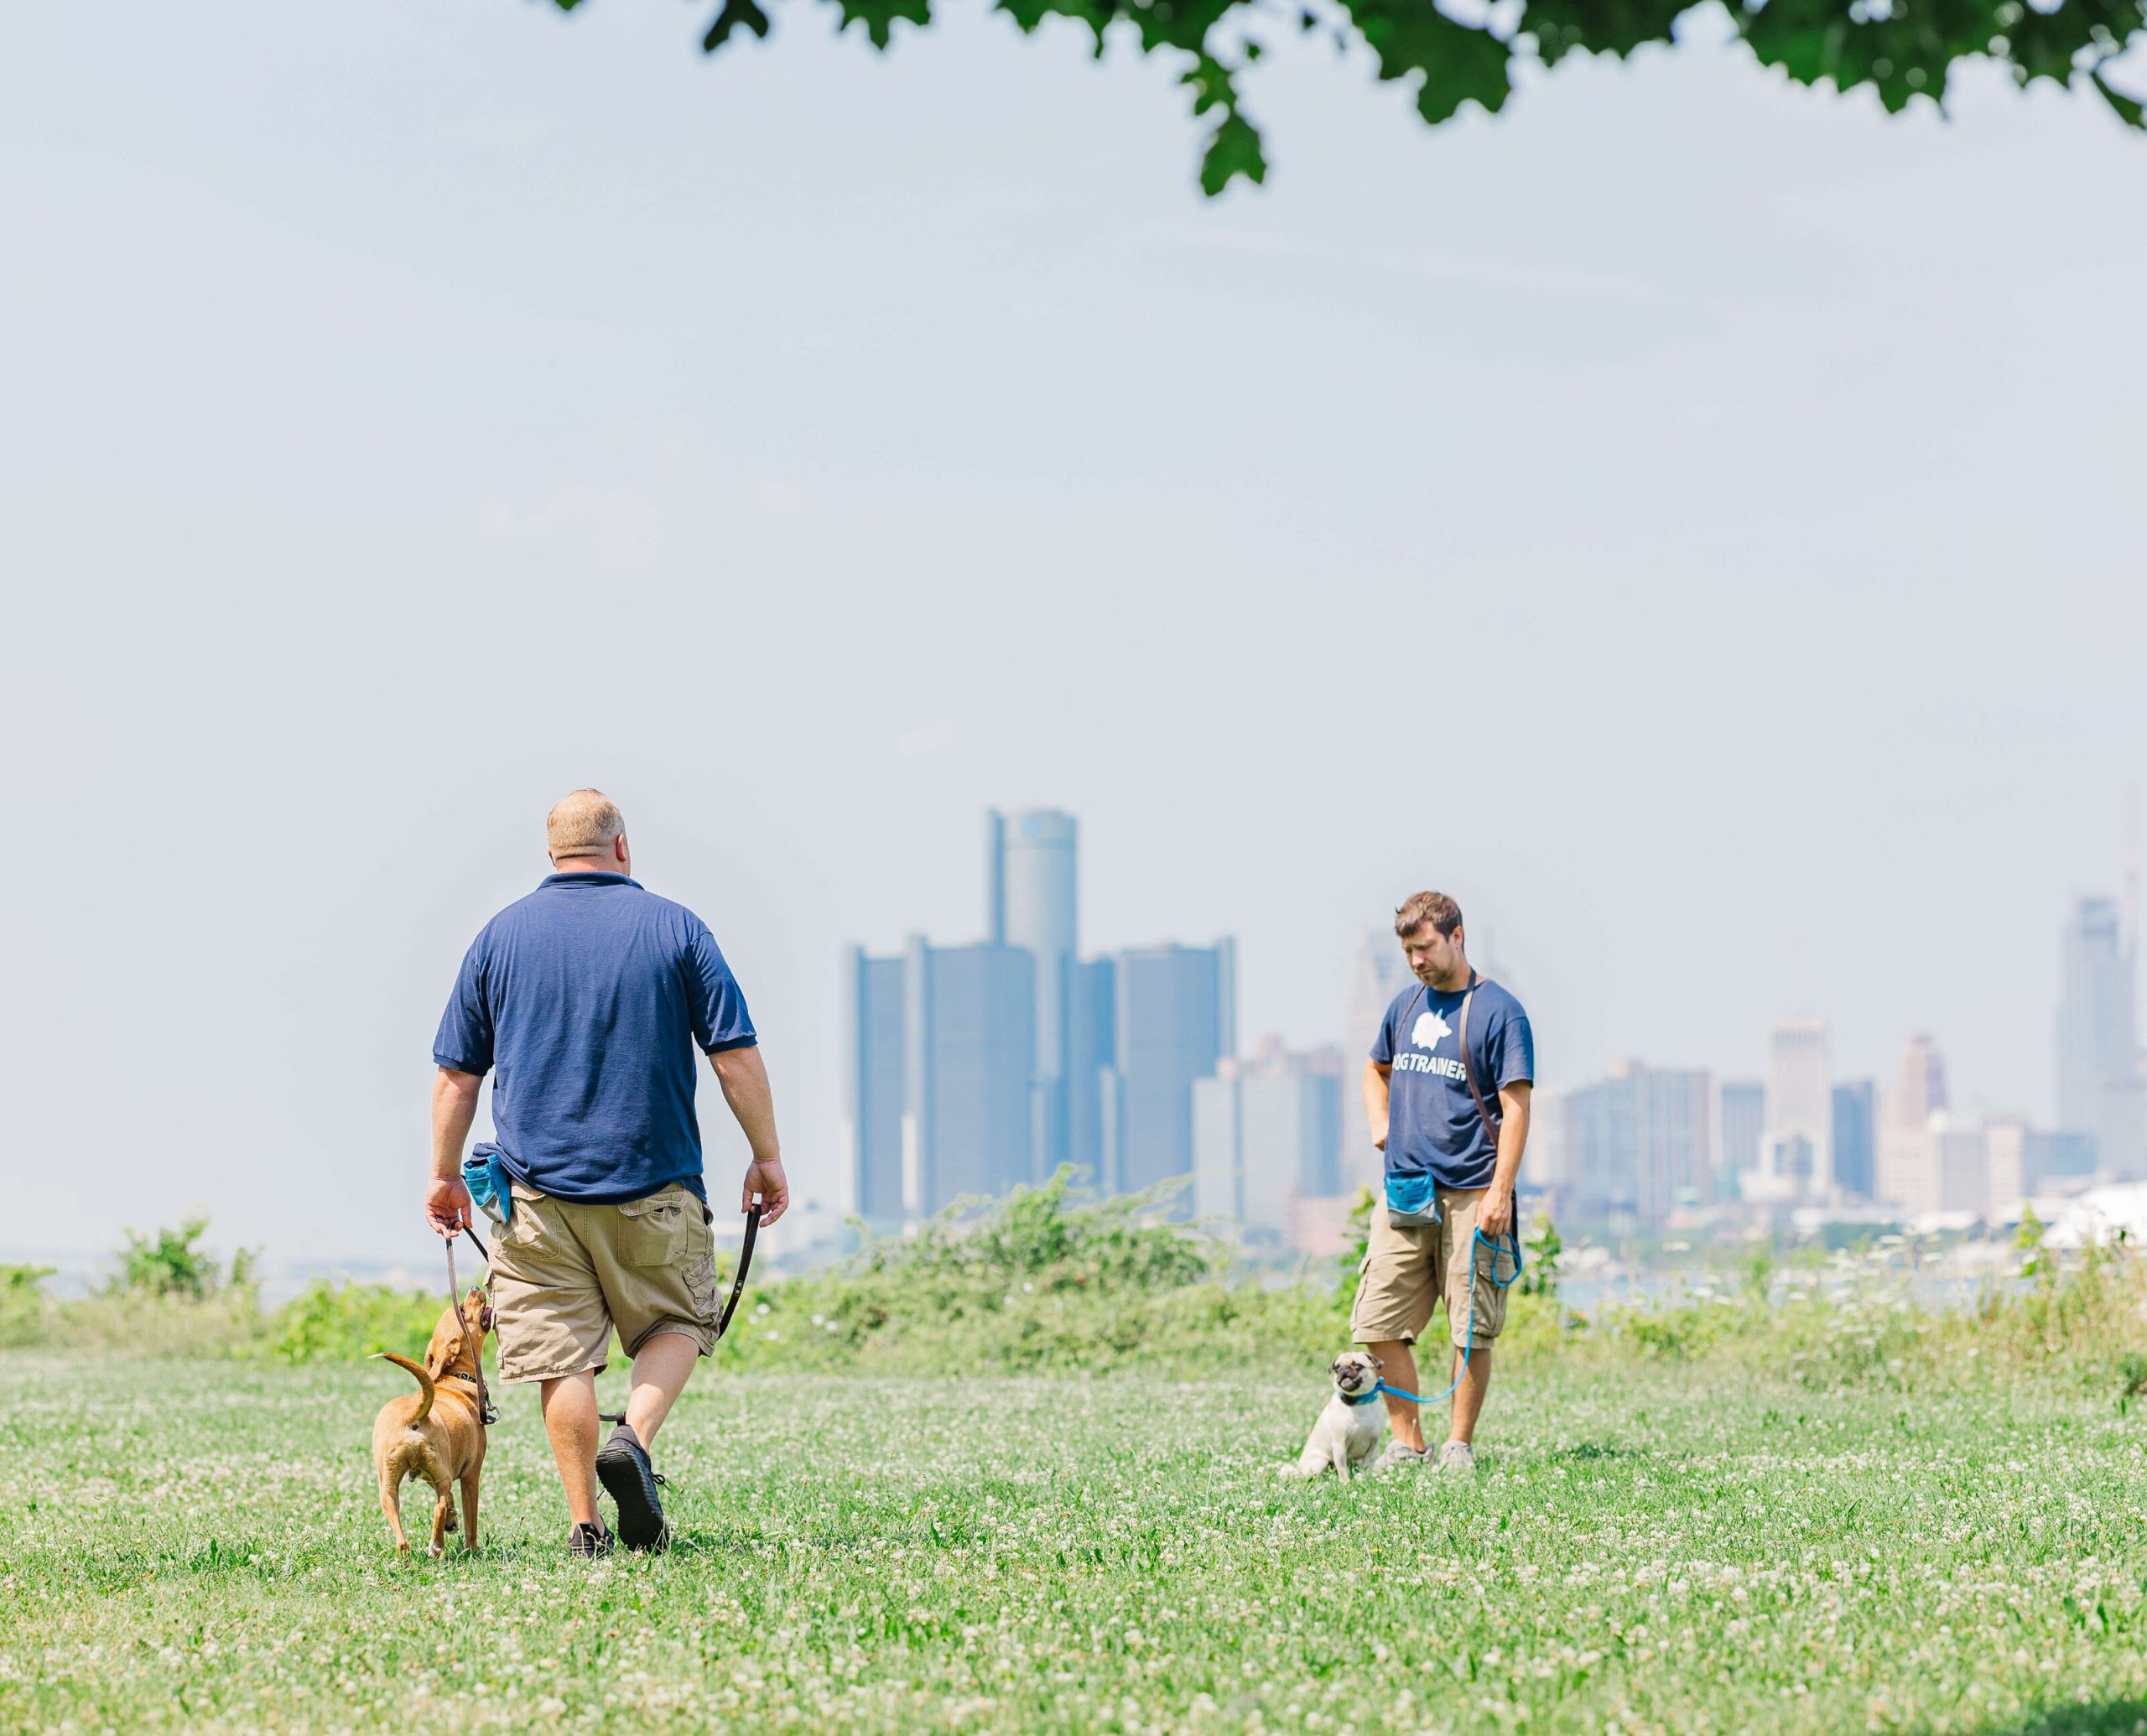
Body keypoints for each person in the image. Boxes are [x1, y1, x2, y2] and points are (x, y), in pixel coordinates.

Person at [425, 788, 789, 1556]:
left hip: (534, 1196)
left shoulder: (499, 937)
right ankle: (635, 1438)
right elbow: (733, 1055)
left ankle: (584, 1525)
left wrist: (444, 1174)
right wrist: (765, 1155)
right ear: (622, 848)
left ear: (551, 855)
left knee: (563, 1357)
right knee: (680, 1321)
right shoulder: (675, 927)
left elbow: (458, 1074)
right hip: (653, 1188)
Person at [1353, 891, 1533, 1475]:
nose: (1416, 962)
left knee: (1471, 1326)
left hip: (1473, 1190)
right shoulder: (1404, 1008)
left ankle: (1458, 1445)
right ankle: (1409, 1443)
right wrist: (1380, 1124)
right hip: (1406, 1190)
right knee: (1375, 1323)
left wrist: (1500, 1192)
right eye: (1408, 950)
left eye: (1425, 947)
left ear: (1458, 937)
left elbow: (1517, 1106)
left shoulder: (1500, 1012)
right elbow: (1374, 1069)